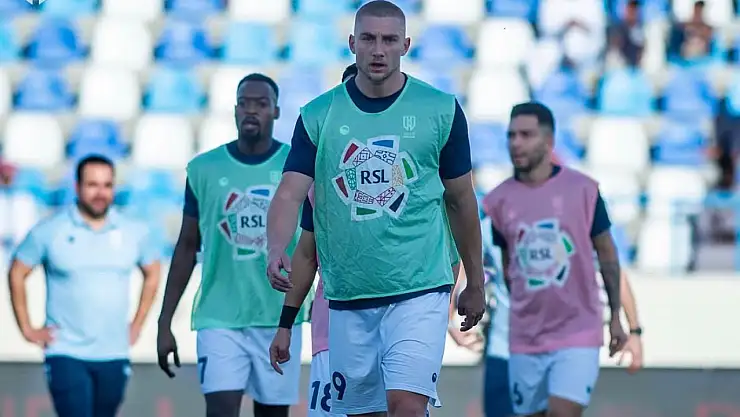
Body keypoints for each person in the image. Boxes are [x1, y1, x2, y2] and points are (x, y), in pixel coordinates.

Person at [265, 2, 485, 417]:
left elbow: (460, 199)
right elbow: (290, 193)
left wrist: (475, 280)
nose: (378, 49)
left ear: (406, 44)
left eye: (388, 40)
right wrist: (275, 246)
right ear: (352, 43)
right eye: (368, 38)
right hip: (348, 293)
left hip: (420, 288)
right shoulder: (318, 115)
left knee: (406, 406)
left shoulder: (439, 110)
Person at [156, 73, 309, 417]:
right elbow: (186, 246)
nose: (251, 110)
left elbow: (313, 240)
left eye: (261, 104)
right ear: (235, 109)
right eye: (244, 103)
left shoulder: (297, 167)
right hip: (219, 317)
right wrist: (165, 321)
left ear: (276, 111)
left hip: (278, 317)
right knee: (220, 410)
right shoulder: (203, 169)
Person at [482, 102, 628, 417]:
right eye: (511, 135)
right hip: (525, 337)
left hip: (577, 332)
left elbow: (607, 254)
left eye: (526, 135)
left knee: (563, 412)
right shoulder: (498, 201)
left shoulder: (584, 191)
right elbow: (508, 267)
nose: (515, 143)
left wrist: (617, 316)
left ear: (548, 141)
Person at [8, 155, 161, 417]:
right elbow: (17, 272)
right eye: (92, 185)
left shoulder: (133, 231)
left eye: (107, 185)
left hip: (114, 351)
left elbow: (153, 271)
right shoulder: (51, 230)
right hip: (66, 351)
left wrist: (138, 323)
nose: (100, 193)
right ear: (77, 187)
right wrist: (27, 328)